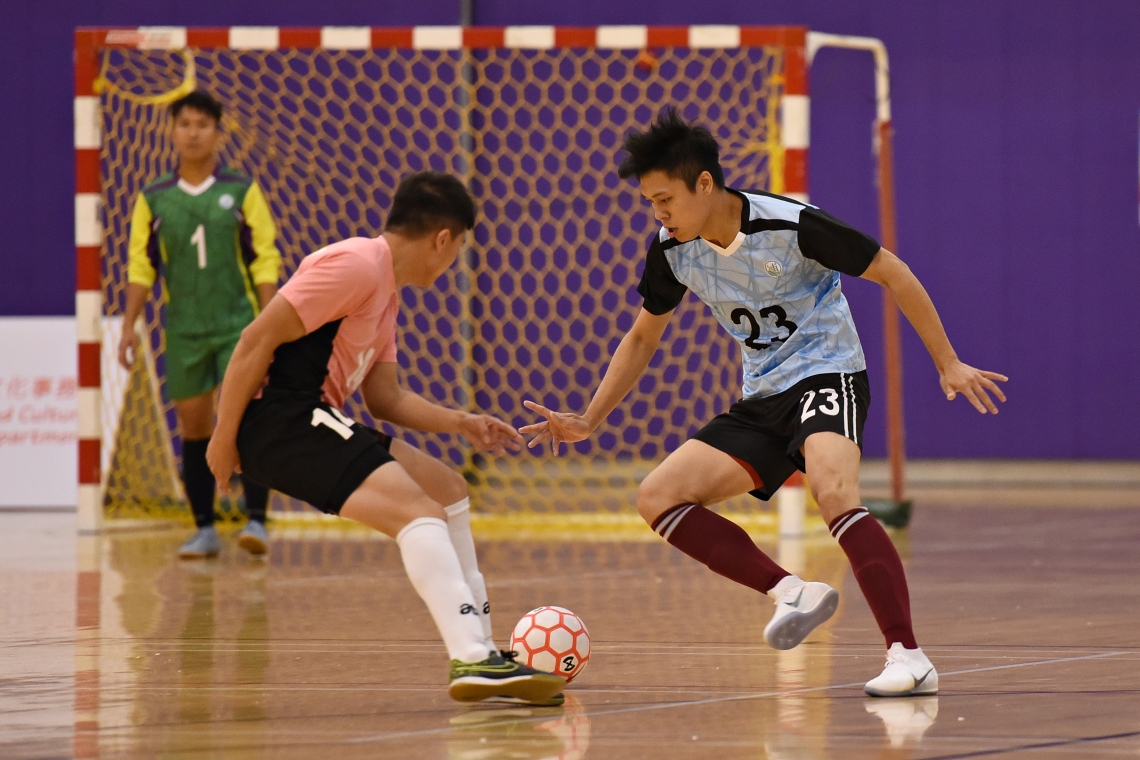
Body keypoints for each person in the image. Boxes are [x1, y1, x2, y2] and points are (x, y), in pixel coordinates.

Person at [520, 108, 1008, 697]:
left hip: (828, 372)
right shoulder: (671, 251)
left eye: (665, 199)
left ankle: (908, 656)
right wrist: (588, 419)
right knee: (657, 496)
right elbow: (643, 336)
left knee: (833, 491)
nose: (658, 214)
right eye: (650, 203)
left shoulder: (791, 224)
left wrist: (948, 362)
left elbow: (893, 272)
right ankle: (791, 592)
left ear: (705, 184)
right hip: (763, 396)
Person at [205, 172, 566, 705]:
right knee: (418, 512)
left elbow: (385, 399)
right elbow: (255, 338)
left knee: (447, 489)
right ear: (442, 239)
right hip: (281, 419)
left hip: (307, 418)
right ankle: (471, 656)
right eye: (459, 249)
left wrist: (461, 422)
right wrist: (223, 436)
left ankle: (484, 649)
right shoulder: (355, 264)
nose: (454, 262)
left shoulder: (385, 292)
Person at [119, 90, 281, 559]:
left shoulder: (242, 191)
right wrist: (128, 325)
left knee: (245, 419)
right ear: (172, 131)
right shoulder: (154, 198)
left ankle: (256, 520)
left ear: (217, 132)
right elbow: (141, 266)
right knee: (194, 428)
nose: (193, 133)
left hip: (238, 327)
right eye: (185, 124)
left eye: (202, 124)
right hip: (185, 329)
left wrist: (270, 324)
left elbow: (264, 258)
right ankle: (204, 529)